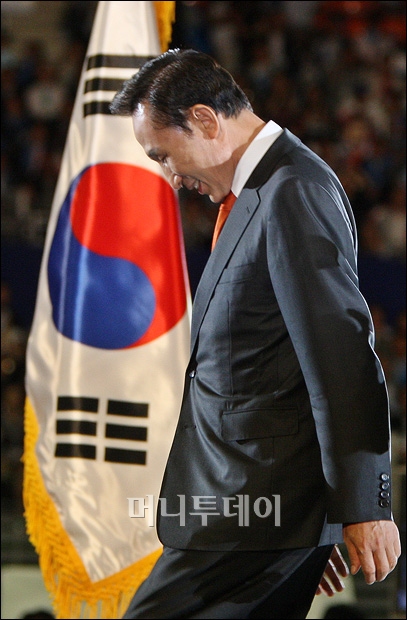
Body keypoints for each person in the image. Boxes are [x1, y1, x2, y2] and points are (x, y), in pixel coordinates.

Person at [109, 48, 401, 619]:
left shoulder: (293, 189)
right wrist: (320, 519)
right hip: (253, 515)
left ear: (204, 120)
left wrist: (361, 507)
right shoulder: (260, 192)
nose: (170, 177)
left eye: (164, 155)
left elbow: (341, 356)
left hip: (250, 512)